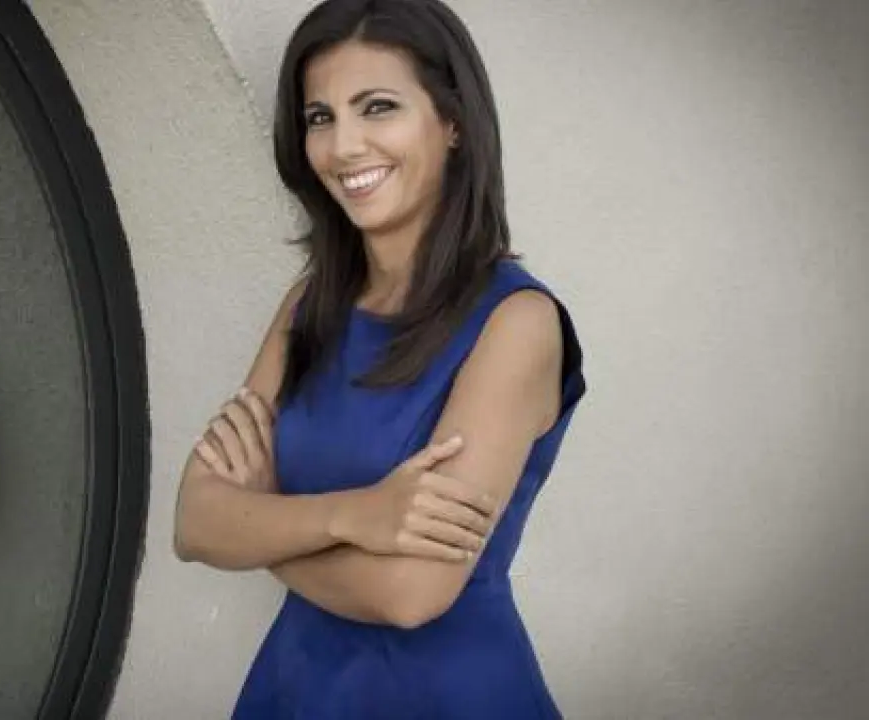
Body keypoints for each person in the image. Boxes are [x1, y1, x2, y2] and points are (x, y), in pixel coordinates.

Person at [173, 0, 587, 717]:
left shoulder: (517, 323)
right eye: (320, 117)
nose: (344, 146)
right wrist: (354, 516)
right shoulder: (308, 306)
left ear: (453, 123)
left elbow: (410, 593)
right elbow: (194, 523)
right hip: (294, 690)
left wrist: (260, 527)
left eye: (378, 107)